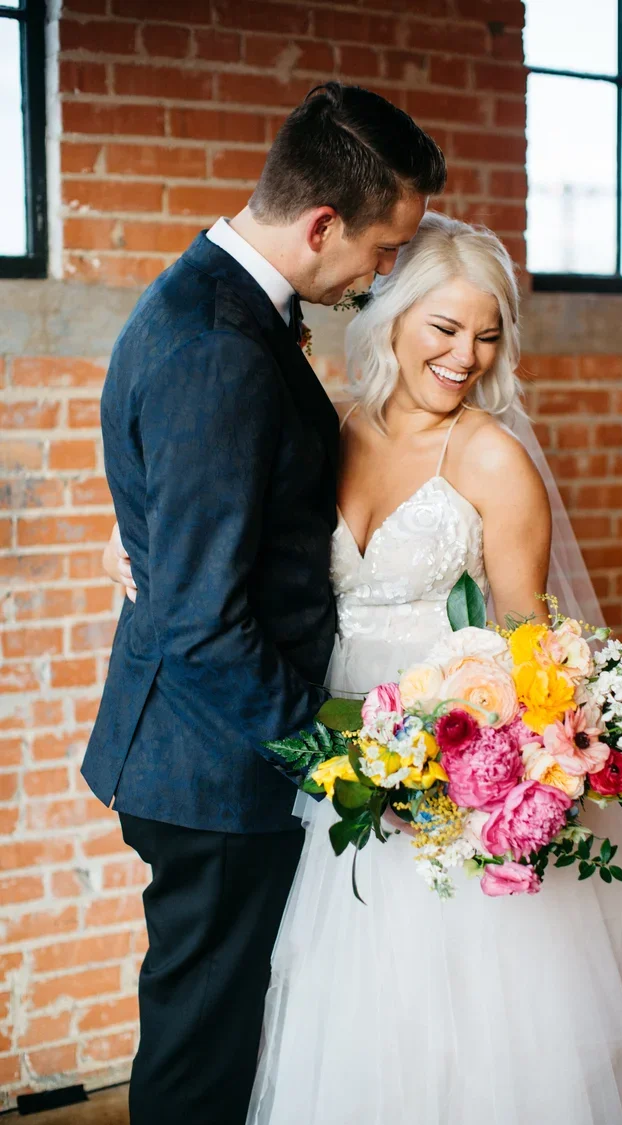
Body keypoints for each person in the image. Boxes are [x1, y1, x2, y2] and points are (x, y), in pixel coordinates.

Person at [106, 213, 622, 1123]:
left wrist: (506, 770)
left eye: (488, 335)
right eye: (445, 329)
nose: (466, 356)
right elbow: (214, 505)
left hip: (445, 784)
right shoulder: (331, 430)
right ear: (393, 320)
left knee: (467, 1042)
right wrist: (125, 539)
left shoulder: (495, 459)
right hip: (328, 761)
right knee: (338, 1030)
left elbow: (535, 645)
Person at [84, 81, 445, 1125]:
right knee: (204, 1052)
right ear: (321, 222)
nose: (380, 274)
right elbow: (201, 621)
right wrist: (343, 753)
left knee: (224, 1029)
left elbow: (201, 534)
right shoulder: (217, 346)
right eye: (381, 250)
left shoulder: (215, 304)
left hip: (202, 749)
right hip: (214, 768)